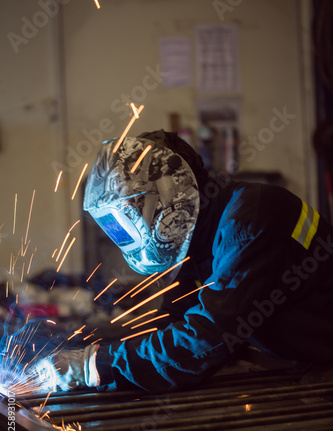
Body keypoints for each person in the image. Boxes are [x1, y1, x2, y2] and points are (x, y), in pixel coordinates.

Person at [17, 130, 333, 394]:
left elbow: (205, 338)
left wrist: (92, 365)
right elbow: (170, 322)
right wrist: (86, 341)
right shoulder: (203, 236)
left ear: (168, 190)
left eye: (126, 219)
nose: (127, 235)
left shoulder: (250, 218)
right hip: (302, 360)